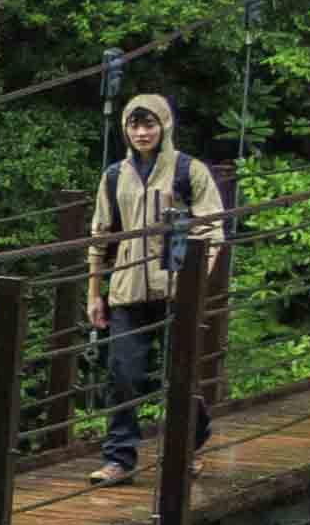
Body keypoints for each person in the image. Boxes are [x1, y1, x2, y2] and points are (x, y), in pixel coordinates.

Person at [86, 90, 227, 484]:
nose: (141, 132)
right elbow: (100, 235)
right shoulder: (114, 175)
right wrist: (94, 292)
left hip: (176, 288)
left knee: (178, 373)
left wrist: (196, 276)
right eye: (134, 125)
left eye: (148, 124)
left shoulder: (189, 170)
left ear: (164, 126)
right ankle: (119, 460)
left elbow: (213, 226)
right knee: (123, 373)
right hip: (128, 287)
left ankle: (186, 447)